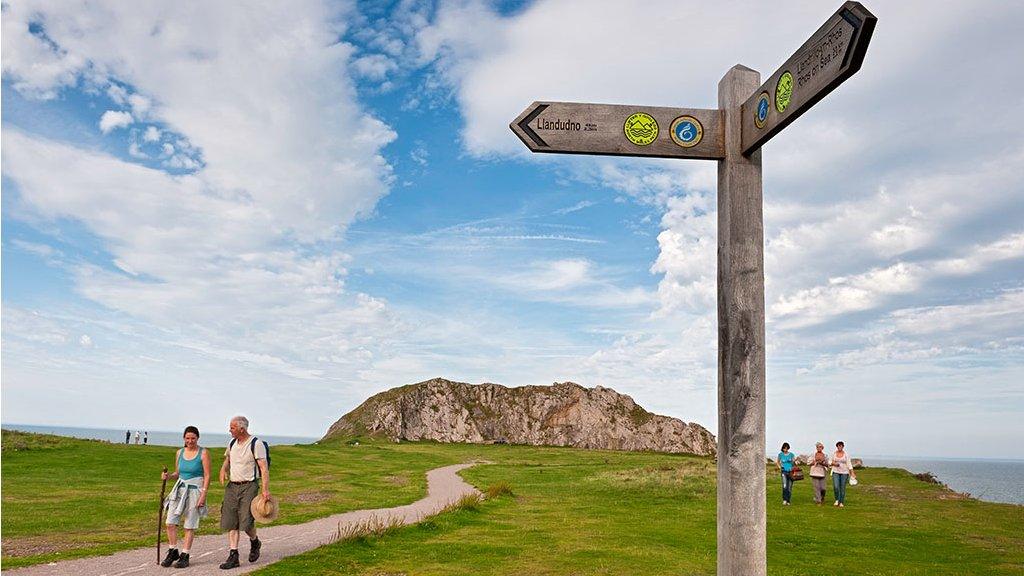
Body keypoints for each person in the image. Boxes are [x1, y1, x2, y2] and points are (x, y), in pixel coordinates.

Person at [219, 416, 270, 569]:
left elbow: (264, 468)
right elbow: (228, 459)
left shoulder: (256, 444)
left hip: (249, 486)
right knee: (231, 520)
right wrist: (223, 469)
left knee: (246, 521)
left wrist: (265, 490)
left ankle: (255, 541)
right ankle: (233, 555)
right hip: (232, 486)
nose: (230, 430)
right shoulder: (232, 442)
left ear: (242, 428)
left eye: (232, 427)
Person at [160, 426, 211, 568]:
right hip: (179, 490)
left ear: (197, 438)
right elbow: (178, 472)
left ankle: (185, 555)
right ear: (184, 438)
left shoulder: (203, 453)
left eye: (193, 438)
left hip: (195, 491)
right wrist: (168, 476)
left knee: (190, 524)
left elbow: (207, 475)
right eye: (187, 438)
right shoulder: (179, 452)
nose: (190, 441)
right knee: (170, 522)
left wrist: (203, 495)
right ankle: (172, 550)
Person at [830, 440, 856, 507]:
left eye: (841, 446)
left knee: (842, 487)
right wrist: (834, 463)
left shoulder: (846, 454)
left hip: (844, 473)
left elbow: (849, 464)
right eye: (838, 446)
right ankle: (836, 500)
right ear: (837, 447)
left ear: (843, 446)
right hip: (835, 472)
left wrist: (852, 473)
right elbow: (829, 461)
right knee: (836, 487)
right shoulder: (834, 454)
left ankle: (841, 502)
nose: (840, 447)